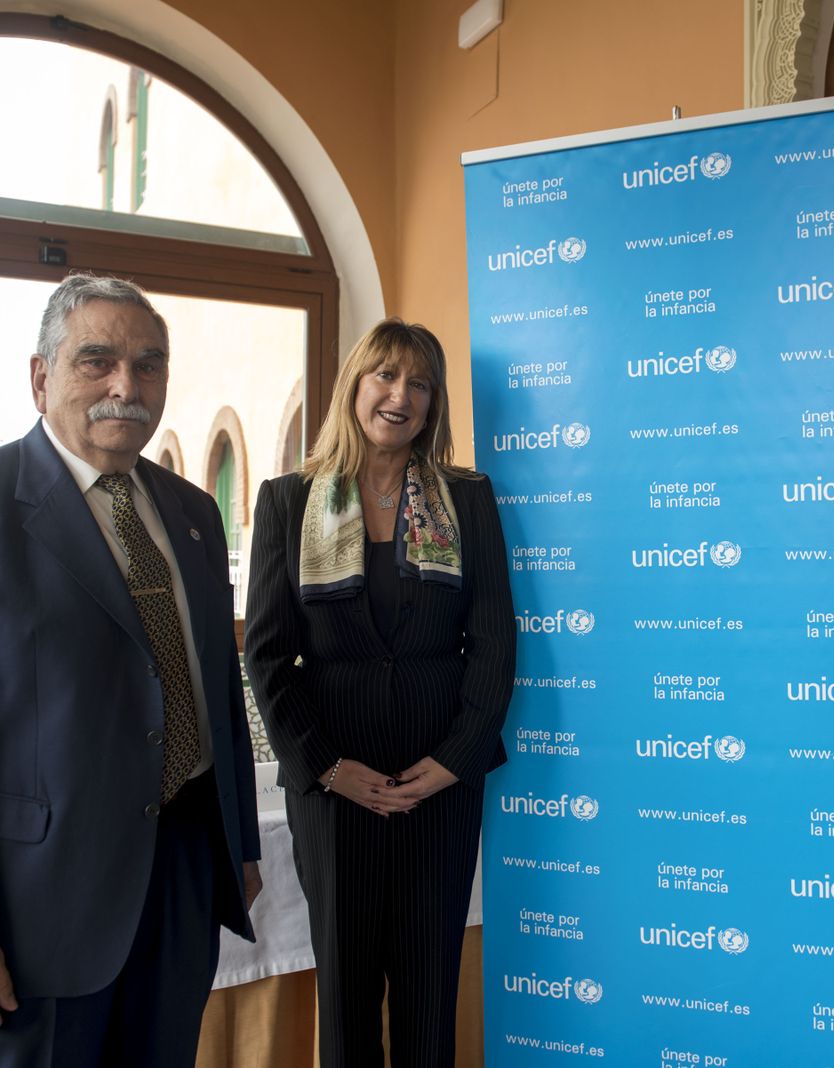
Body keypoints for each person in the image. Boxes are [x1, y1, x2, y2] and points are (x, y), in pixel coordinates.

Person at [0, 274, 263, 1067]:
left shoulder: (192, 512)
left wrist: (239, 846)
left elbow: (214, 684)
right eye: (98, 361)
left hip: (181, 877)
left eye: (149, 364)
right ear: (41, 376)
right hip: (34, 911)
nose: (128, 385)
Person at [244, 318, 515, 1066]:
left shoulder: (467, 498)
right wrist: (328, 768)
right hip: (334, 790)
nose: (401, 396)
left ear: (436, 403)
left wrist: (456, 759)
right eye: (386, 377)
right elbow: (266, 656)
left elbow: (493, 638)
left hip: (441, 786)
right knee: (348, 996)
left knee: (431, 992)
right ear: (354, 387)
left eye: (420, 383)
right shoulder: (288, 501)